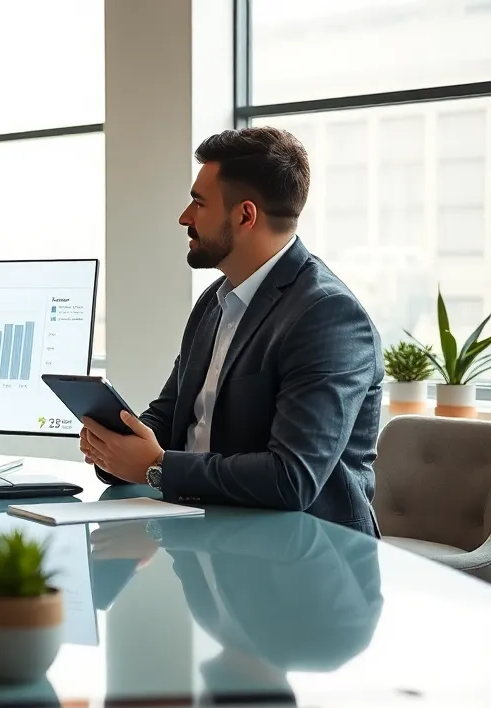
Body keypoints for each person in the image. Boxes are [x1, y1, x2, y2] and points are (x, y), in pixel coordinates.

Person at [79, 127, 383, 535]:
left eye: (199, 203)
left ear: (245, 215)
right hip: (208, 538)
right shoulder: (214, 302)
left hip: (308, 553)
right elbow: (169, 419)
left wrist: (155, 466)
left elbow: (292, 478)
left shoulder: (328, 316)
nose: (185, 217)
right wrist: (116, 448)